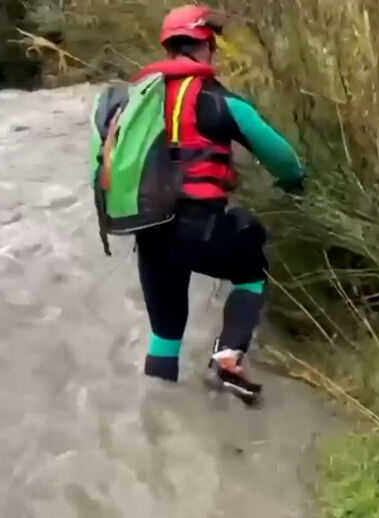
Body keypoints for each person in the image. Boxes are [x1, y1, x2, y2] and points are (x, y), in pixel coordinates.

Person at [134, 4, 305, 402]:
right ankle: (228, 357)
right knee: (251, 269)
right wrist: (295, 184)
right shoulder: (220, 101)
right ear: (206, 45)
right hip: (200, 229)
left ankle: (157, 420)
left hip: (148, 235)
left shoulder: (139, 101)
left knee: (164, 339)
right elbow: (284, 159)